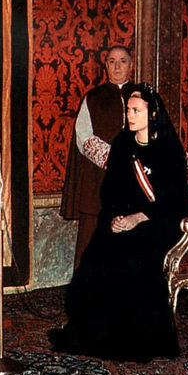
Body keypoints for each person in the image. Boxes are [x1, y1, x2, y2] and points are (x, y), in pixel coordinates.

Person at [49, 83, 188, 362]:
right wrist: (115, 218)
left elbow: (176, 201)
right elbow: (111, 192)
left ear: (152, 114)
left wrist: (138, 218)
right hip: (124, 218)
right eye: (128, 109)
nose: (130, 115)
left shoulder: (168, 148)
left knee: (133, 255)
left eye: (136, 110)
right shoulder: (123, 144)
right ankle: (97, 333)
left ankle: (135, 338)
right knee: (97, 254)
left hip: (159, 220)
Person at [61, 46, 137, 267]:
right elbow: (83, 136)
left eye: (122, 61)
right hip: (98, 180)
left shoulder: (144, 96)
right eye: (112, 61)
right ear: (106, 66)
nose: (117, 66)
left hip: (135, 178)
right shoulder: (93, 98)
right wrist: (114, 159)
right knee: (92, 243)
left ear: (130, 66)